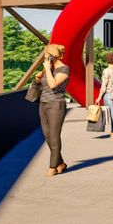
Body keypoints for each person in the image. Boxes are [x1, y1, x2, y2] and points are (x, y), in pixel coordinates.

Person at [37, 43, 69, 176]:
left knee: (54, 136)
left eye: (45, 54)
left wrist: (47, 70)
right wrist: (39, 76)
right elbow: (41, 82)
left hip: (56, 105)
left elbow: (52, 84)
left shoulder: (64, 69)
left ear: (52, 56)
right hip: (43, 103)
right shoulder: (48, 68)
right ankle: (60, 163)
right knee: (47, 135)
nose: (44, 56)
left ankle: (52, 167)